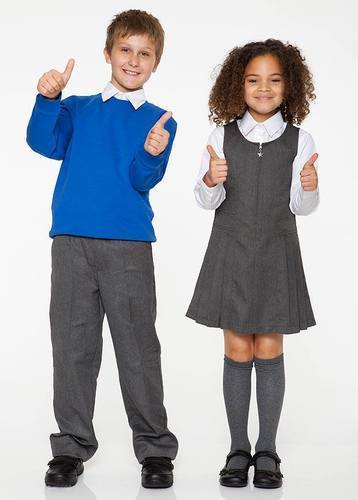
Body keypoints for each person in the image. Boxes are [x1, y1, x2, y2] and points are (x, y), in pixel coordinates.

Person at [26, 9, 178, 489]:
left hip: (129, 246)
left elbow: (140, 179)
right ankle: (70, 448)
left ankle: (155, 450)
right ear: (108, 53)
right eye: (125, 50)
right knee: (72, 348)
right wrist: (48, 97)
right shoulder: (78, 107)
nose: (133, 60)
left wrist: (153, 152)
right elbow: (41, 141)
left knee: (137, 349)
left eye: (144, 54)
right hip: (71, 242)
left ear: (156, 62)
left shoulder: (160, 121)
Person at [186, 39, 319, 489]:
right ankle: (237, 448)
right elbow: (207, 200)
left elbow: (303, 207)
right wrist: (209, 179)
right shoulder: (220, 136)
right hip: (232, 252)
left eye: (275, 80)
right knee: (238, 349)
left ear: (290, 87)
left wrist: (309, 184)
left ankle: (268, 450)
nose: (264, 89)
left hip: (277, 254)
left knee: (270, 349)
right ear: (237, 85)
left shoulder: (301, 139)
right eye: (254, 80)